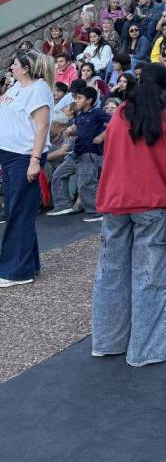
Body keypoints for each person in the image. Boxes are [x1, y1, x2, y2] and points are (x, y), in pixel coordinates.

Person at [91, 63, 166, 365]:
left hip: (115, 202)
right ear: (164, 88)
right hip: (153, 203)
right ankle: (146, 349)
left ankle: (108, 340)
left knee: (111, 274)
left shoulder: (118, 118)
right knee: (149, 277)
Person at [0, 51, 55, 287]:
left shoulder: (38, 89)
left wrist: (35, 160)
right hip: (9, 154)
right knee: (17, 208)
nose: (11, 67)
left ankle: (16, 271)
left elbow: (42, 126)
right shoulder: (16, 87)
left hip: (24, 156)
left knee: (19, 212)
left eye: (15, 64)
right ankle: (29, 263)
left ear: (26, 68)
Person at [48, 85, 110, 217]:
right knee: (58, 175)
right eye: (76, 98)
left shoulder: (97, 113)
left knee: (86, 183)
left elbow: (114, 123)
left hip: (90, 153)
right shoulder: (80, 115)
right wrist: (70, 130)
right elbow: (77, 127)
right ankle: (63, 205)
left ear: (89, 100)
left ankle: (95, 212)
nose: (76, 101)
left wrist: (101, 136)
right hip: (77, 153)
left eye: (80, 98)